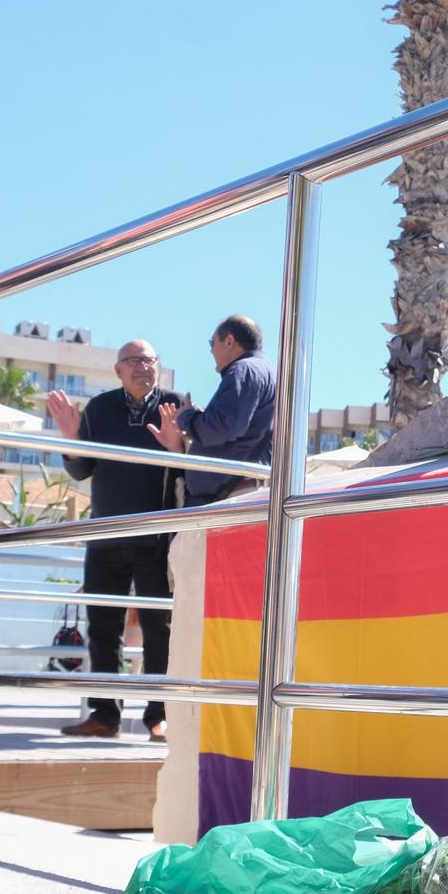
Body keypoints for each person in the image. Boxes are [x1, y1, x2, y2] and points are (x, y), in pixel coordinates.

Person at [48, 340, 186, 741]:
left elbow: (190, 472)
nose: (144, 366)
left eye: (150, 359)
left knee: (159, 627)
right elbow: (81, 470)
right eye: (135, 360)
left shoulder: (175, 404)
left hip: (156, 536)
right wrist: (71, 438)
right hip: (105, 533)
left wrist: (178, 449)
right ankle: (105, 716)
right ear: (118, 370)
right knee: (102, 628)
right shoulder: (100, 408)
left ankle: (157, 716)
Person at [152, 315, 275, 507]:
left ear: (229, 342)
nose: (210, 350)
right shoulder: (261, 371)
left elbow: (224, 426)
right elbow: (233, 424)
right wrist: (200, 418)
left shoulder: (243, 370)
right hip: (235, 492)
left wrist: (187, 417)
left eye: (212, 343)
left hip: (231, 498)